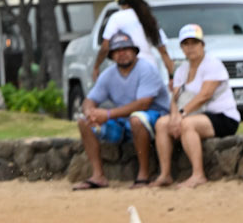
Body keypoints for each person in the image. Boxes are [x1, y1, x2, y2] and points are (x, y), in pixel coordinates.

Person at [72, 30, 170, 188]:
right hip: (123, 123)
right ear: (111, 56)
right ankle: (98, 176)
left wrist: (108, 114)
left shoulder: (146, 69)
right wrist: (90, 112)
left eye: (125, 49)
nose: (122, 53)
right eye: (117, 51)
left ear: (134, 51)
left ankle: (143, 175)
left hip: (153, 119)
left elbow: (143, 103)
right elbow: (89, 99)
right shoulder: (108, 74)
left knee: (137, 119)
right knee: (84, 122)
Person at [154, 22, 241, 188]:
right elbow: (175, 97)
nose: (190, 48)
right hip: (195, 114)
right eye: (186, 44)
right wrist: (173, 117)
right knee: (162, 124)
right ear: (181, 48)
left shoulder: (213, 64)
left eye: (194, 43)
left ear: (202, 45)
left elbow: (205, 95)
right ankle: (165, 174)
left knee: (187, 124)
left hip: (222, 117)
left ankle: (198, 174)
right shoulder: (181, 70)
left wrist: (181, 114)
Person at [97, 0, 174, 85]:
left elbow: (105, 47)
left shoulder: (117, 18)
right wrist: (171, 77)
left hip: (129, 69)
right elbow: (164, 52)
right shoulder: (149, 20)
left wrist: (96, 66)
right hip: (150, 69)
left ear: (123, 2)